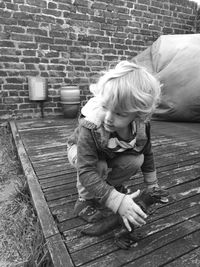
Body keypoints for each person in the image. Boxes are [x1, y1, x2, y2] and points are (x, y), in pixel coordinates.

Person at [67, 60, 164, 232]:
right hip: (80, 150)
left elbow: (147, 154)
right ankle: (84, 200)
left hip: (109, 151)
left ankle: (106, 187)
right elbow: (85, 169)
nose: (108, 118)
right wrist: (114, 200)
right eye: (105, 107)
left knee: (137, 160)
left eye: (119, 113)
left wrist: (152, 185)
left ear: (138, 114)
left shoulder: (141, 128)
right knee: (96, 166)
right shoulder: (92, 126)